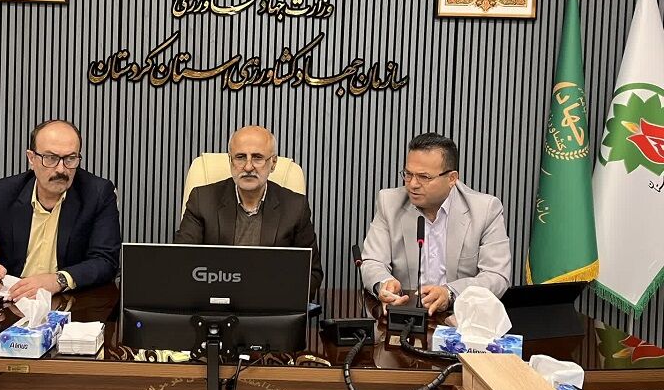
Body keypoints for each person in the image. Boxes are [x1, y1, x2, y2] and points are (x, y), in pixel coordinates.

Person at [0, 120, 121, 301]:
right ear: (31, 158)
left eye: (70, 159)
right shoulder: (2, 193)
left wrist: (59, 280)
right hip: (13, 299)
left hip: (70, 303)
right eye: (50, 158)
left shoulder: (98, 194)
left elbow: (106, 261)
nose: (61, 169)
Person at [360, 133, 511, 315]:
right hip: (405, 314)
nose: (413, 184)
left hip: (461, 317)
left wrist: (450, 293)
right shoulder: (389, 202)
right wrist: (384, 284)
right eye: (408, 174)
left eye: (424, 177)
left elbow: (496, 276)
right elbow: (372, 261)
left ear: (452, 178)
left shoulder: (485, 209)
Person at [174, 125, 324, 297]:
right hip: (214, 303)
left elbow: (312, 274)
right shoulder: (202, 200)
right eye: (240, 157)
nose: (248, 167)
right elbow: (180, 264)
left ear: (273, 163)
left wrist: (275, 299)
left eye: (257, 158)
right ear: (230, 161)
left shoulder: (295, 207)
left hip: (269, 304)